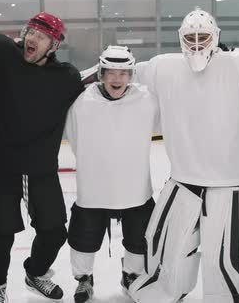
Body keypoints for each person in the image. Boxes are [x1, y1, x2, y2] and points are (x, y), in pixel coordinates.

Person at [127, 7, 239, 303]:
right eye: (192, 37)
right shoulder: (164, 67)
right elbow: (123, 73)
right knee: (170, 252)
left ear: (216, 37)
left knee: (225, 260)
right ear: (181, 39)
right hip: (184, 180)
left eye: (204, 36)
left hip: (234, 183)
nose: (198, 43)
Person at [0, 12, 84, 302]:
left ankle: (35, 273)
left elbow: (96, 94)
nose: (32, 39)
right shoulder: (2, 56)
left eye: (42, 36)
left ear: (54, 46)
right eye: (31, 32)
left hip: (39, 168)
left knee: (54, 232)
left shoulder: (66, 78)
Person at [63, 45, 158, 303]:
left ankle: (131, 275)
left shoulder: (147, 99)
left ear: (131, 75)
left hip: (135, 188)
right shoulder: (82, 102)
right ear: (101, 73)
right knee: (83, 239)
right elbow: (71, 136)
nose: (117, 79)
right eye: (111, 73)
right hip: (94, 189)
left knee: (139, 238)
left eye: (123, 73)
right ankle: (84, 279)